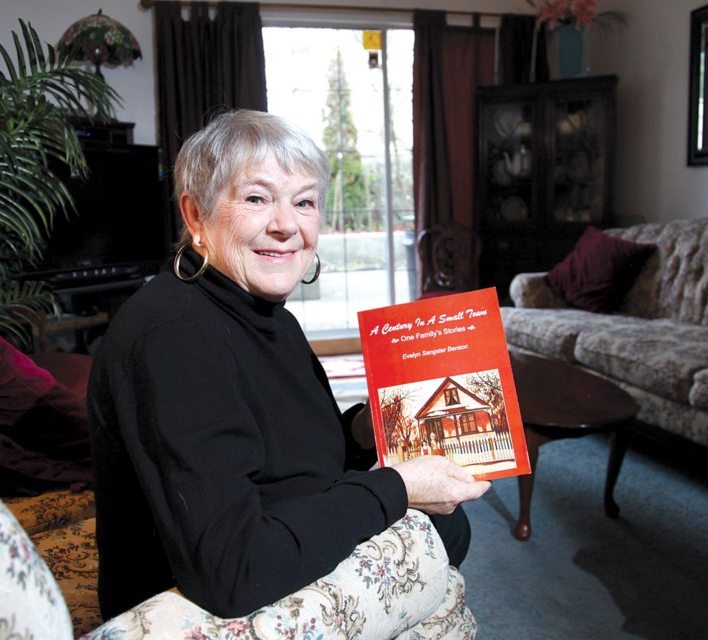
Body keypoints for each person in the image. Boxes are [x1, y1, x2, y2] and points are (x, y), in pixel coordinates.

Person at [87, 109, 491, 621]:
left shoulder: (266, 313)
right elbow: (232, 570)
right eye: (256, 199)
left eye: (304, 202)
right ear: (195, 216)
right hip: (220, 589)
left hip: (277, 523)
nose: (286, 226)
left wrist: (369, 429)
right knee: (442, 527)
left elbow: (293, 452)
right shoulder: (174, 336)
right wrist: (399, 486)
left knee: (450, 525)